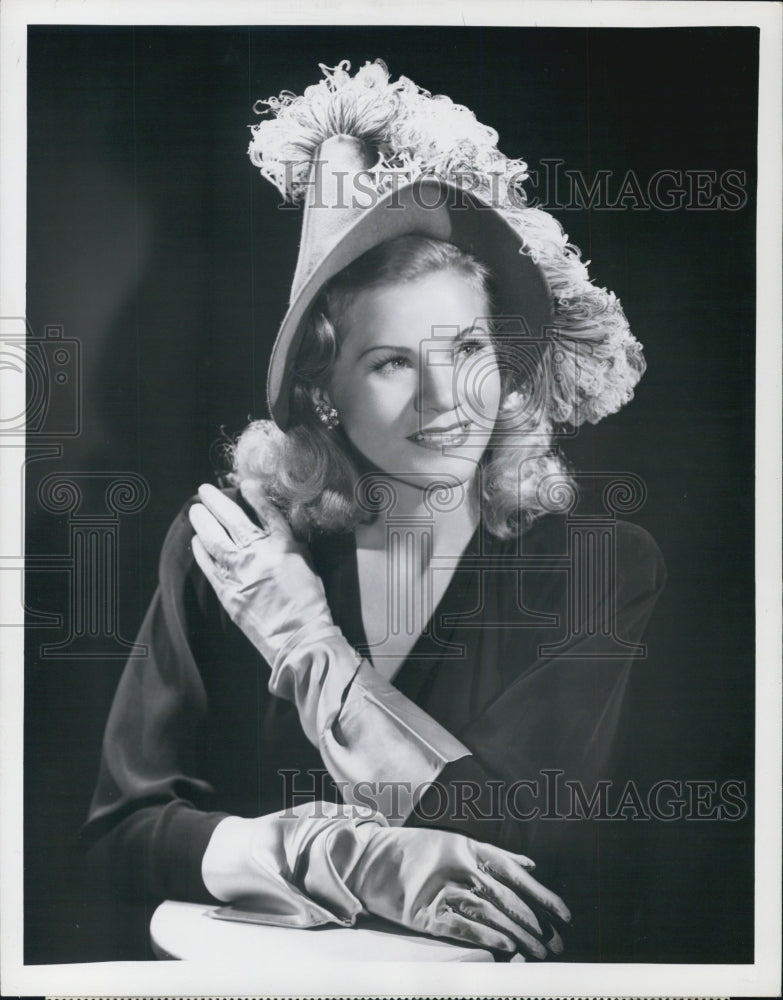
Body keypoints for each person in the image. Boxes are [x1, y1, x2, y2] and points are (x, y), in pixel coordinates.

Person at [82, 59, 665, 961]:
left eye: (467, 346)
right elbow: (122, 836)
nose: (447, 401)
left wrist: (306, 647)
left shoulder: (600, 565)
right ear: (323, 395)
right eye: (391, 363)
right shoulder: (229, 550)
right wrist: (336, 855)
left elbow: (516, 851)